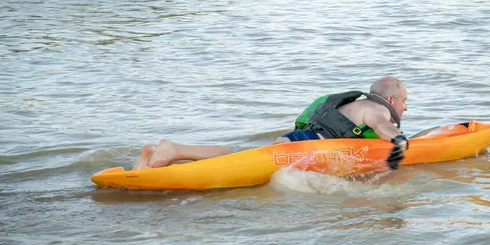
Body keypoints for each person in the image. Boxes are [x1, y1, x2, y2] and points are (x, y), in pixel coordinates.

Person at [133, 76, 409, 170]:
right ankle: (175, 149)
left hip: (300, 140)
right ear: (391, 100)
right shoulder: (376, 109)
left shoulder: (352, 104)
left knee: (238, 161)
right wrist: (398, 140)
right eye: (405, 100)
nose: (406, 107)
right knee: (237, 158)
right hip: (306, 146)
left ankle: (161, 162)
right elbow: (383, 126)